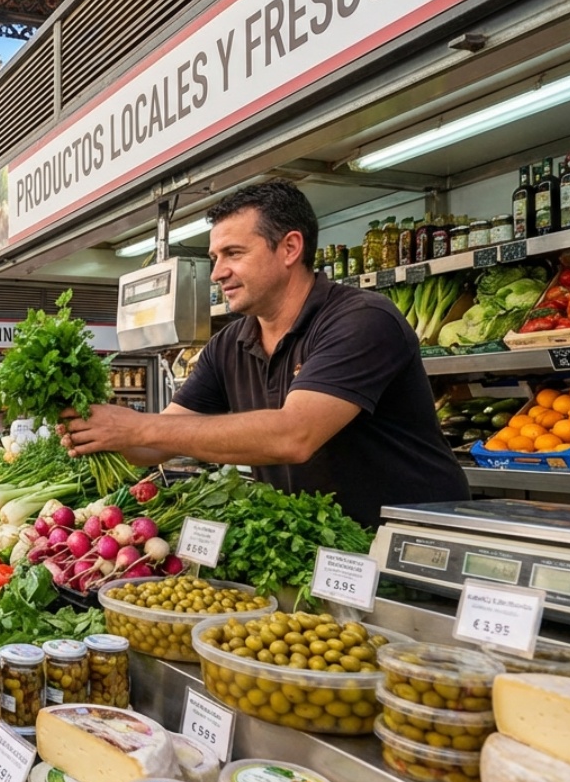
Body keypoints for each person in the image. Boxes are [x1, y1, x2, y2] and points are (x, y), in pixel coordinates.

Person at [61, 181, 469, 528]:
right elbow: (155, 446)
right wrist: (98, 430)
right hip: (315, 545)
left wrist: (137, 428)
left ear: (290, 248)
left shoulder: (361, 320)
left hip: (408, 546)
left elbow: (294, 435)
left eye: (233, 254)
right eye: (215, 258)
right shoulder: (229, 344)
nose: (218, 272)